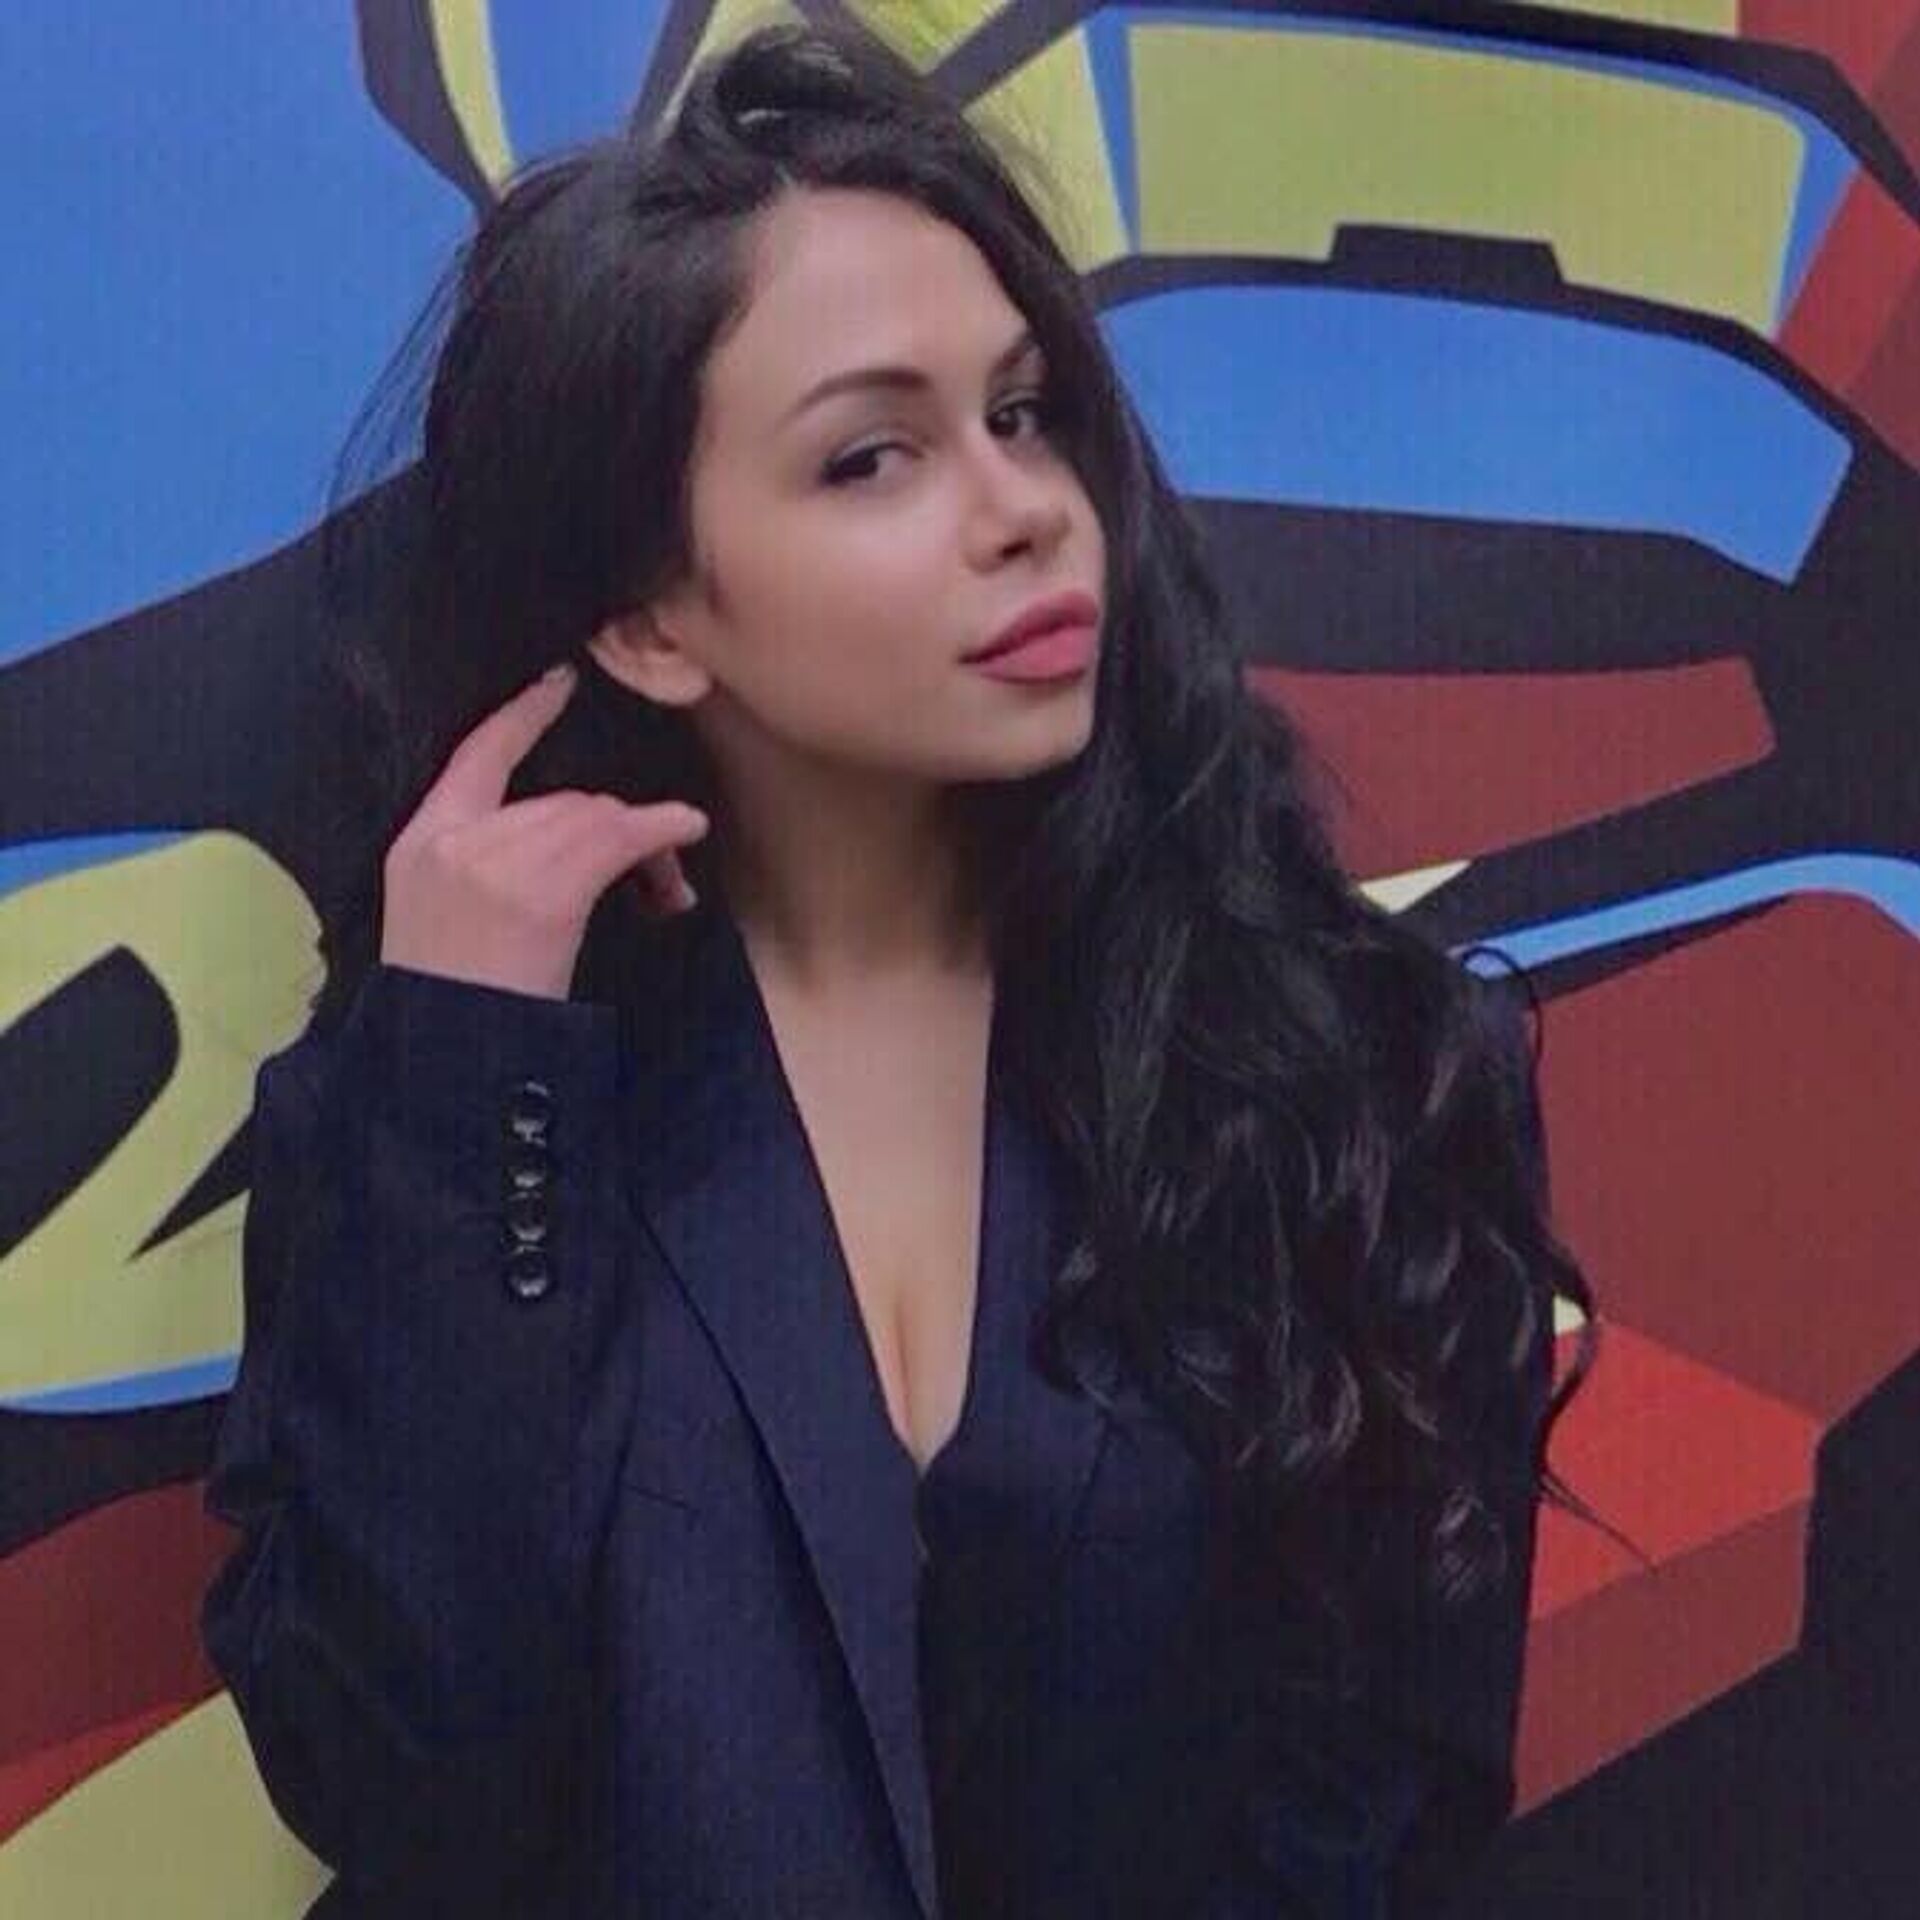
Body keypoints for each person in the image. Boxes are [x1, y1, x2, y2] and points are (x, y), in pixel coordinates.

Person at [200, 18, 1604, 1917]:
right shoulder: (444, 1113)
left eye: (1023, 413)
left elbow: (1384, 1805)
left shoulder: (1348, 1063)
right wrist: (469, 1064)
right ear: (650, 617)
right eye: (872, 456)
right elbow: (398, 1769)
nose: (1024, 507)